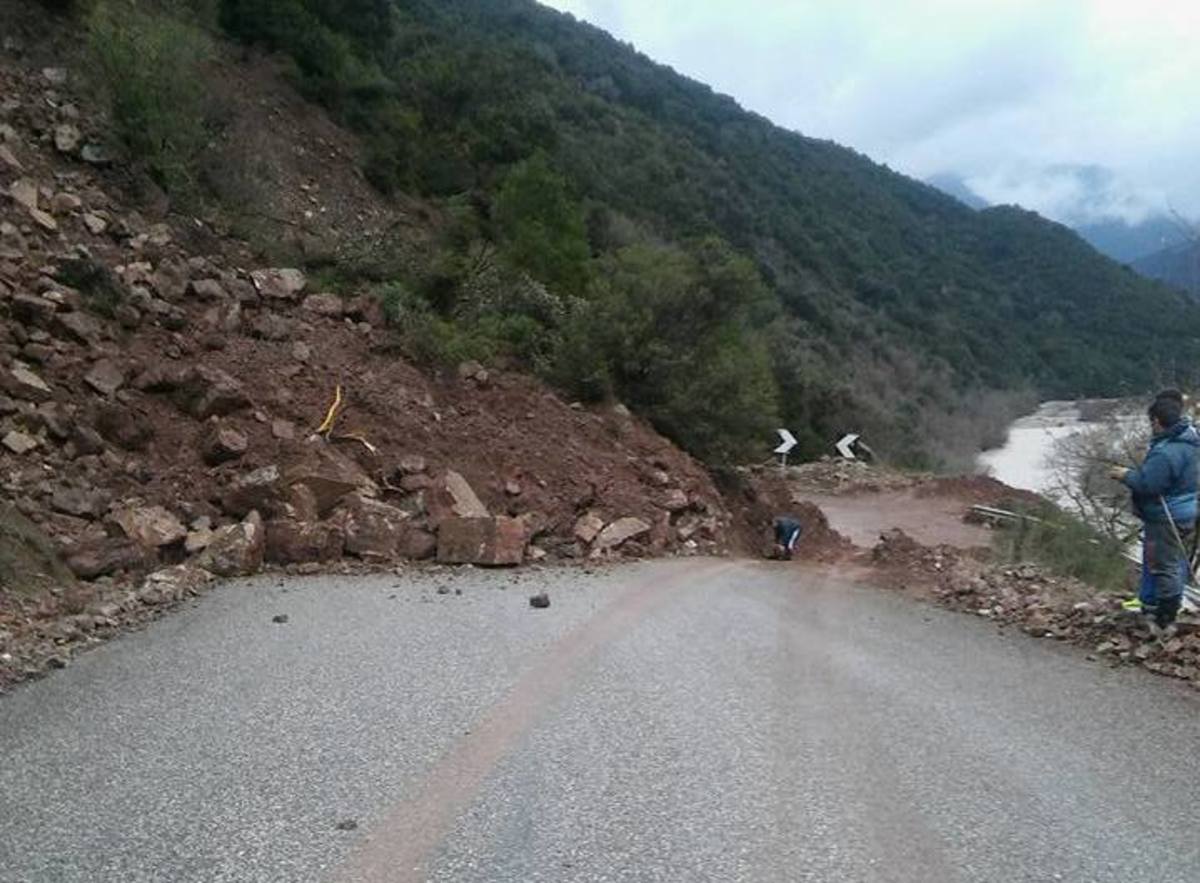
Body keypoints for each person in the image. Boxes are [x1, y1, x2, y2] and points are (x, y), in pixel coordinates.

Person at [1110, 394, 1199, 631]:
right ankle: (1163, 606)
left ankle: (1164, 618)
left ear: (1157, 421)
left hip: (1166, 516)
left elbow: (1150, 485)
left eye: (1152, 421)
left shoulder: (1166, 452)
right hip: (1186, 511)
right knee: (1174, 560)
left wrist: (1125, 475)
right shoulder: (1189, 442)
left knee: (1163, 564)